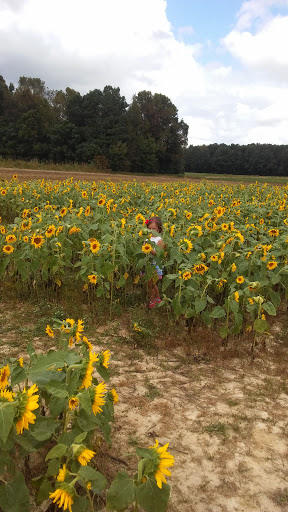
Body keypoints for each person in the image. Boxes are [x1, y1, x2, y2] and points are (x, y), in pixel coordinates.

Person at [145, 216, 164, 308]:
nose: (151, 230)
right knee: (150, 284)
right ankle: (158, 298)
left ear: (159, 229)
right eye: (149, 228)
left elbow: (157, 254)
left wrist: (149, 249)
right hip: (148, 264)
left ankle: (151, 301)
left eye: (154, 228)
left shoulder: (159, 240)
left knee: (152, 284)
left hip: (155, 265)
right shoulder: (147, 238)